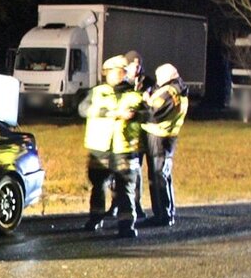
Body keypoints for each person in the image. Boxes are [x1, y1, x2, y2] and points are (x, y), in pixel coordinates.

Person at [80, 54, 146, 237]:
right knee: (98, 186)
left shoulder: (134, 95)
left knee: (125, 189)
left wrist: (136, 114)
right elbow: (83, 109)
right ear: (106, 73)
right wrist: (114, 112)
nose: (119, 75)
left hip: (124, 150)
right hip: (99, 148)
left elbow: (146, 115)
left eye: (122, 71)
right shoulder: (97, 92)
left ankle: (126, 225)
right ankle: (95, 218)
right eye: (115, 71)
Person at [140, 63, 188, 226]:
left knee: (158, 176)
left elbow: (153, 113)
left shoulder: (169, 92)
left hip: (159, 138)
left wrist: (145, 101)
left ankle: (162, 214)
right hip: (167, 136)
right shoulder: (178, 90)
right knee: (163, 175)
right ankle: (167, 211)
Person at [124, 50, 152, 220]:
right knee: (119, 173)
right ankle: (117, 203)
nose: (137, 67)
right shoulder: (123, 83)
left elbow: (148, 108)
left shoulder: (147, 83)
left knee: (137, 171)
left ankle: (137, 203)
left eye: (139, 64)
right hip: (123, 135)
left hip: (139, 135)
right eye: (133, 64)